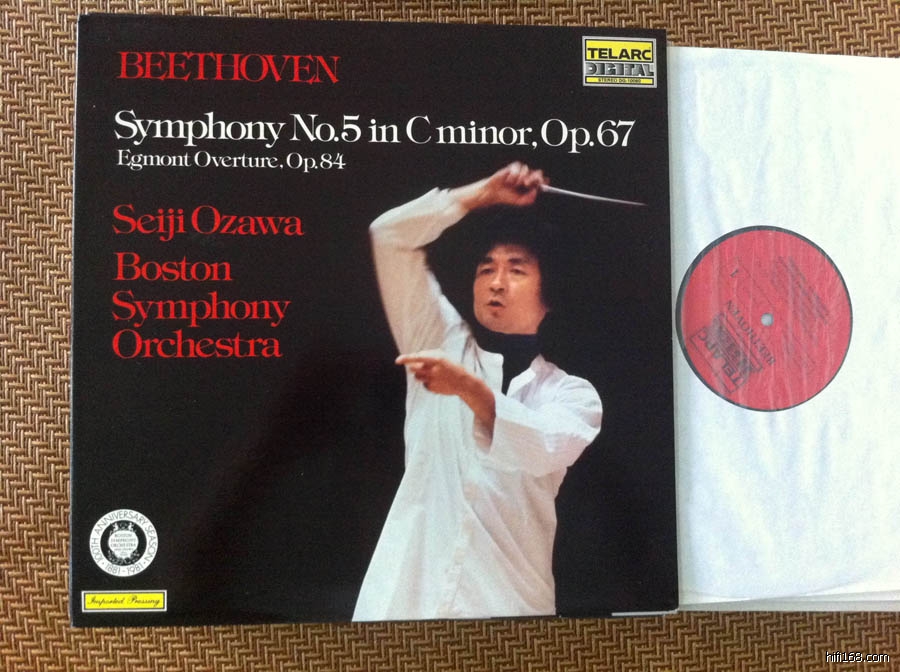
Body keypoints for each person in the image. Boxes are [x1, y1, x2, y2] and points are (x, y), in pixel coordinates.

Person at [353, 162, 603, 621]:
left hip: (509, 613)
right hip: (405, 605)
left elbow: (544, 446)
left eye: (516, 269)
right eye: (486, 268)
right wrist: (480, 194)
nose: (496, 281)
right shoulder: (438, 338)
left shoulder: (573, 395)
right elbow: (388, 235)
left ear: (548, 293)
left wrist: (468, 389)